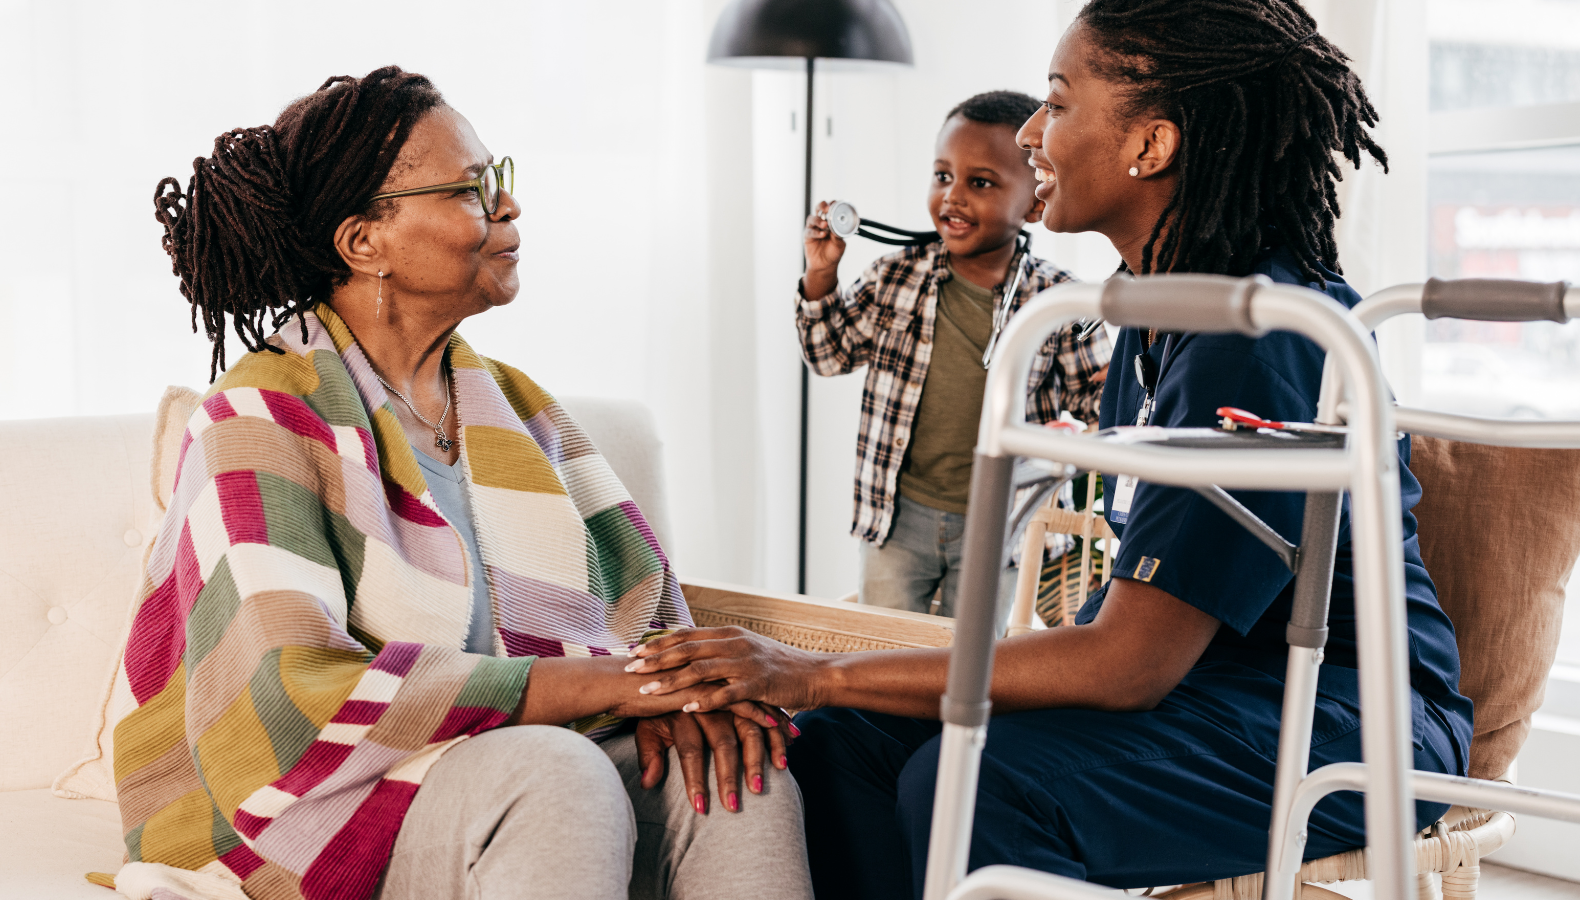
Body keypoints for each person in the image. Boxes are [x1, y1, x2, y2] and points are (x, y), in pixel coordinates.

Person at [625, 4, 1474, 898]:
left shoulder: (1257, 336)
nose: (1032, 133)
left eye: (1058, 106)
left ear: (1151, 145)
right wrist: (827, 692)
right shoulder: (1147, 309)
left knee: (978, 780)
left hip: (1354, 721)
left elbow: (1127, 664)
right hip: (1206, 691)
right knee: (846, 748)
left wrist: (820, 672)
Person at [113, 68, 810, 900]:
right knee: (553, 769)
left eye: (499, 179)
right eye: (472, 189)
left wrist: (680, 691)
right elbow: (284, 696)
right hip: (318, 803)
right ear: (362, 241)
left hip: (497, 770)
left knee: (739, 779)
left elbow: (644, 619)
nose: (508, 209)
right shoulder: (257, 418)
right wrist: (615, 684)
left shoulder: (521, 410)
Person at [797, 90, 1112, 620]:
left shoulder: (1059, 301)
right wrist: (821, 274)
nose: (953, 198)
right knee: (887, 649)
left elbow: (1103, 405)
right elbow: (829, 355)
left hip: (1000, 524)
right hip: (896, 518)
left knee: (972, 663)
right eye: (943, 176)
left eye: (980, 182)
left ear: (1035, 202)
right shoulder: (895, 274)